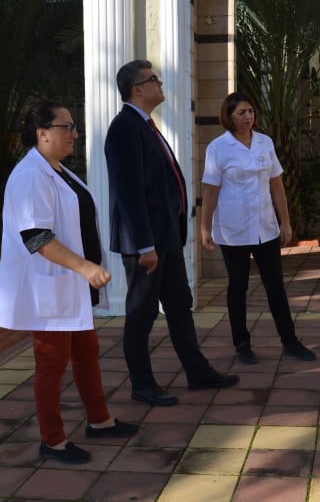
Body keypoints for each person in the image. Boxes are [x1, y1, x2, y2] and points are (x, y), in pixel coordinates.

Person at [0, 101, 137, 465]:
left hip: (69, 285)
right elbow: (36, 237)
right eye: (67, 126)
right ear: (42, 133)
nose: (75, 133)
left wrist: (86, 269)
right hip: (50, 287)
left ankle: (99, 421)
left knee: (87, 352)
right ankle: (53, 441)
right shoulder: (31, 175)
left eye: (74, 126)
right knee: (51, 363)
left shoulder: (58, 171)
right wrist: (85, 268)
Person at [104, 60, 239, 407]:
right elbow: (129, 193)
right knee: (142, 313)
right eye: (154, 80)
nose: (160, 84)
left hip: (166, 238)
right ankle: (142, 384)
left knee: (179, 305)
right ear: (137, 89)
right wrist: (143, 244)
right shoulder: (125, 128)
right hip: (147, 243)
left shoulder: (145, 125)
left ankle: (197, 371)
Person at [200, 91, 317, 364]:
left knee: (275, 286)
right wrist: (204, 228)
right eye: (241, 112)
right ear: (229, 116)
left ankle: (290, 341)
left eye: (251, 111)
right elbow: (211, 191)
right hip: (233, 230)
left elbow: (276, 185)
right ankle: (242, 344)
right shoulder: (218, 147)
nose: (248, 117)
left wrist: (285, 221)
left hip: (265, 227)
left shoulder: (265, 142)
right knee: (238, 286)